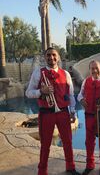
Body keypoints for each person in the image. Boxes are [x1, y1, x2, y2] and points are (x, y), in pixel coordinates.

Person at [26, 47, 80, 175]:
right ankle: (42, 171)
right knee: (45, 144)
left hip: (63, 112)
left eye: (54, 55)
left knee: (67, 141)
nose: (51, 58)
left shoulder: (65, 74)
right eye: (48, 55)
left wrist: (73, 111)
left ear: (58, 57)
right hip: (46, 113)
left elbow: (71, 95)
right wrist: (41, 92)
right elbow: (28, 93)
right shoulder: (38, 73)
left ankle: (70, 167)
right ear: (45, 58)